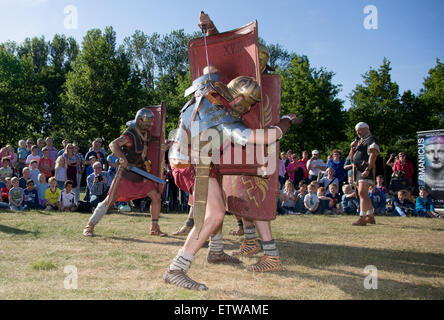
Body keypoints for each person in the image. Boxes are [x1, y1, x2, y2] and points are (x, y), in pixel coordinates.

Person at [164, 58, 301, 289]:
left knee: (215, 211)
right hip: (193, 163)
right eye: (248, 104)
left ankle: (215, 251)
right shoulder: (225, 120)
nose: (248, 109)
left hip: (198, 159)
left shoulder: (209, 90)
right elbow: (266, 137)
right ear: (237, 98)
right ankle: (176, 269)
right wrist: (286, 121)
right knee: (215, 214)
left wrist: (211, 30)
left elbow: (214, 61)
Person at [82, 108, 167, 237]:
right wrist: (123, 158)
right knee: (109, 201)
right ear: (140, 120)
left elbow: (155, 145)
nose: (150, 125)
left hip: (141, 172)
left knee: (156, 196)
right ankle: (89, 226)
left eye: (151, 122)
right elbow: (113, 145)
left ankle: (154, 227)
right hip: (126, 174)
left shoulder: (147, 134)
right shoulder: (130, 134)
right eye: (147, 122)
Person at [349, 122, 380, 226]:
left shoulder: (372, 139)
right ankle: (370, 216)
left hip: (365, 169)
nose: (357, 132)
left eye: (359, 130)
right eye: (356, 131)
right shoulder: (360, 142)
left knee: (362, 193)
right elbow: (351, 158)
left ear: (366, 129)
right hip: (357, 170)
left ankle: (362, 217)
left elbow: (373, 155)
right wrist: (352, 147)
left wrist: (368, 169)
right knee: (363, 194)